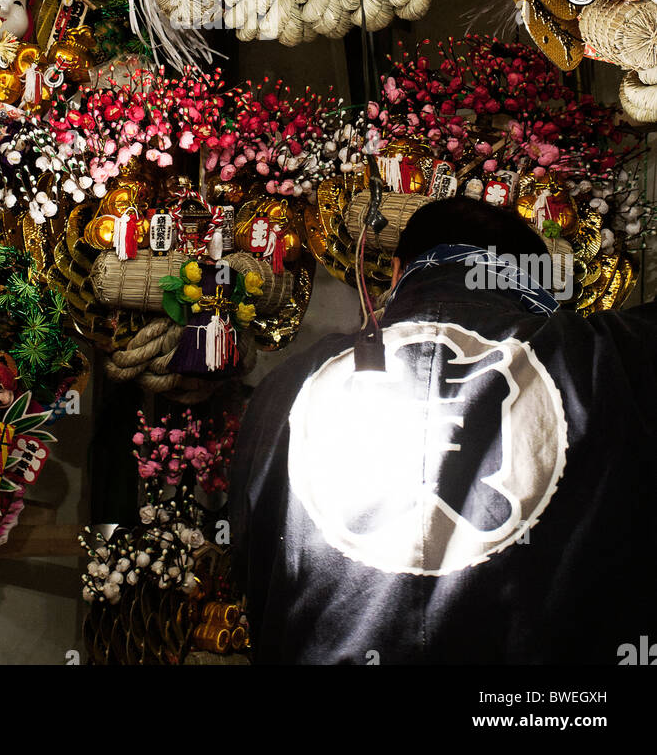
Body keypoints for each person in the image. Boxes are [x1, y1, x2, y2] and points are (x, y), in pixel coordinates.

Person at [229, 195, 657, 665]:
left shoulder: (285, 387)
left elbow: (254, 565)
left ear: (396, 272)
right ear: (534, 278)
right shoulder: (611, 359)